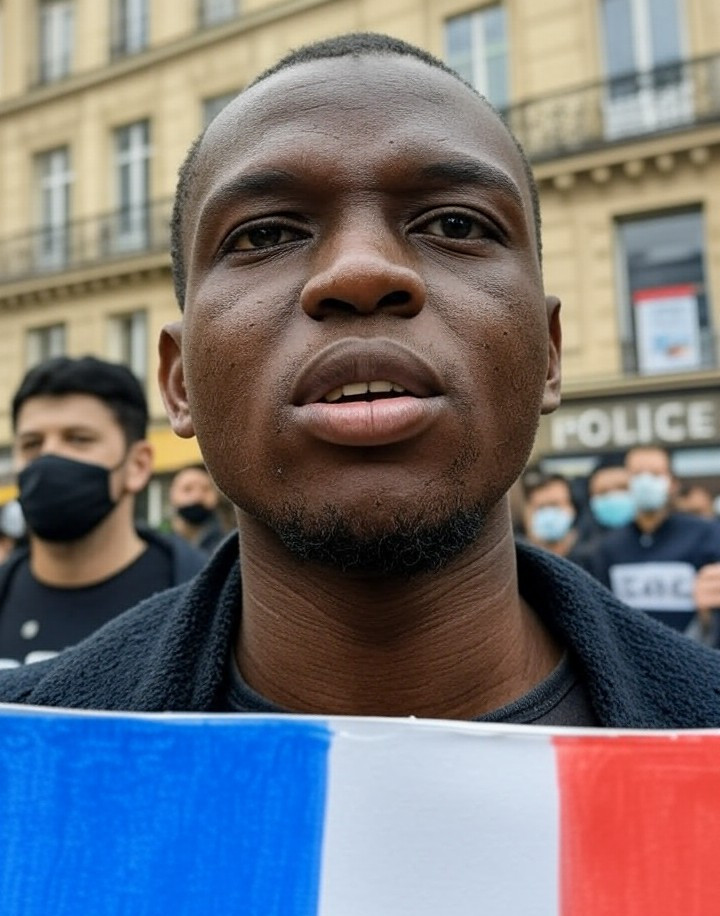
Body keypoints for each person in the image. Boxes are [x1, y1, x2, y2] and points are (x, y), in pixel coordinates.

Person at [2, 34, 720, 725]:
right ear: (181, 381)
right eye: (265, 235)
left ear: (549, 356)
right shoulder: (27, 760)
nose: (362, 271)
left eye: (457, 225)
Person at [0, 356, 206, 668]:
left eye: (78, 439)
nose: (49, 456)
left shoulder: (205, 600)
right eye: (31, 443)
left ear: (137, 465)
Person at [589, 444, 720, 638]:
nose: (645, 481)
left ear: (673, 482)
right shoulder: (609, 546)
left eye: (655, 473)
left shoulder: (704, 533)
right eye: (637, 474)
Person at [168, 464, 226, 553]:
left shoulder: (230, 548)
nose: (197, 496)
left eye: (205, 489)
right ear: (171, 494)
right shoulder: (161, 548)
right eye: (187, 489)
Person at [521, 472, 578, 559]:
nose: (548, 513)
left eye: (554, 505)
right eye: (541, 508)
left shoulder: (594, 557)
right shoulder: (517, 558)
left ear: (572, 509)